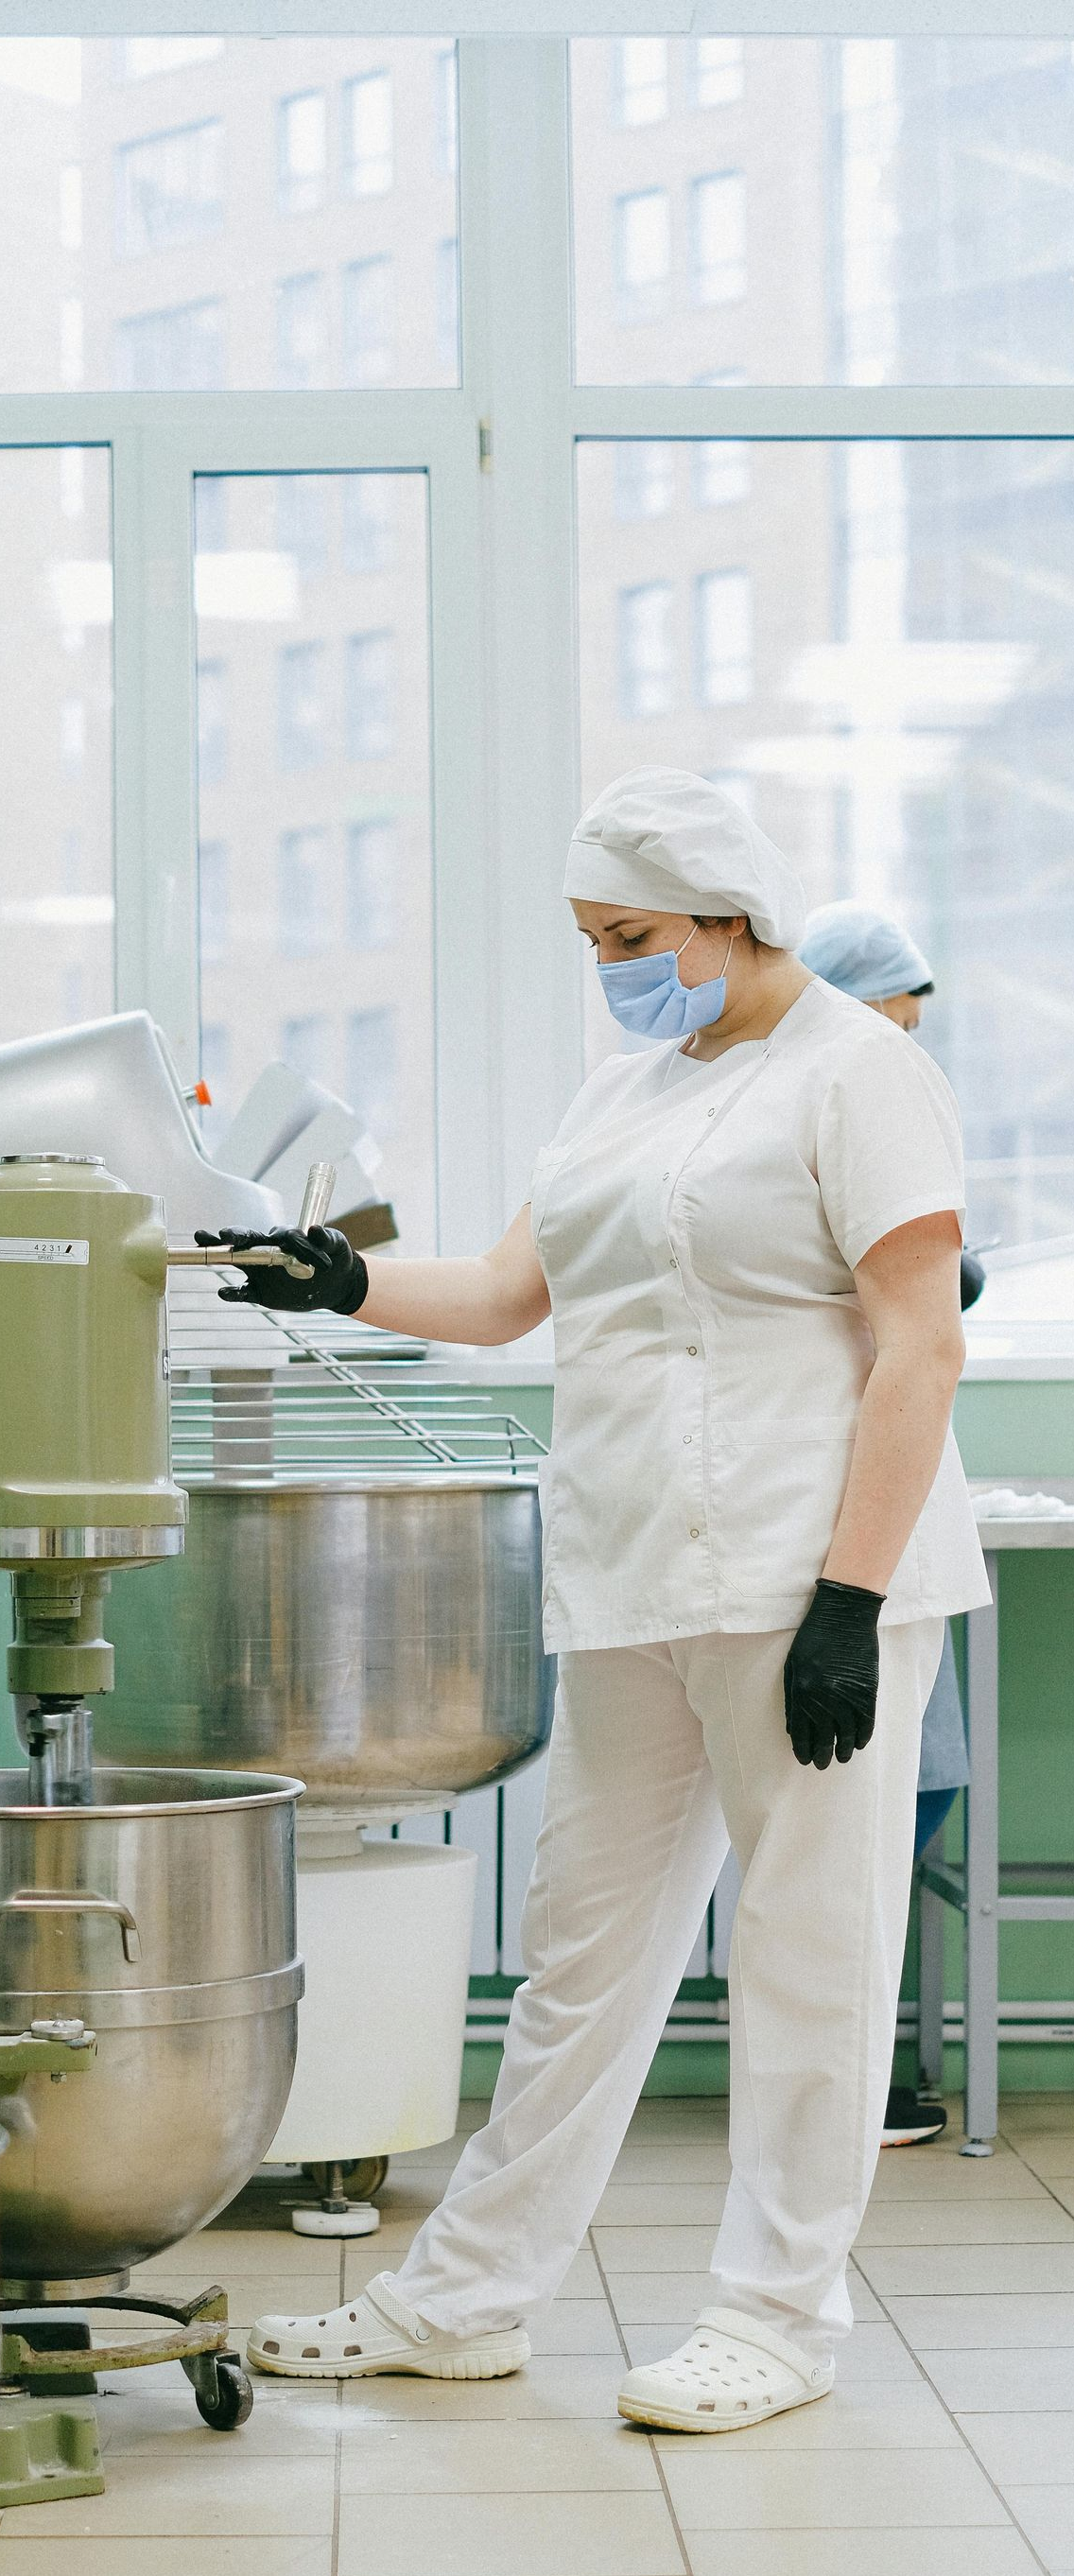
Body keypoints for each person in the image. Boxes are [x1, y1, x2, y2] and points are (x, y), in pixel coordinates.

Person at [211, 769, 989, 2434]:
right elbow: (504, 1298)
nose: (610, 970)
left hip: (803, 1574)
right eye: (589, 943)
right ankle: (466, 2300)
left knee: (808, 1954)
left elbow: (919, 1340)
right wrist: (339, 1277)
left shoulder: (865, 1073)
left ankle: (778, 2318)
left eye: (627, 937)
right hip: (634, 1572)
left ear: (728, 917)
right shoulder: (621, 1089)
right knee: (581, 1958)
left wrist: (851, 1596)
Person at [801, 900, 985, 2148]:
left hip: (904, 1512)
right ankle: (835, 2078)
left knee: (921, 1780)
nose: (899, 1044)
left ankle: (843, 2066)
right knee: (842, 1809)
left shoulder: (884, 1104)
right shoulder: (803, 1104)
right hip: (832, 1507)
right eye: (885, 1016)